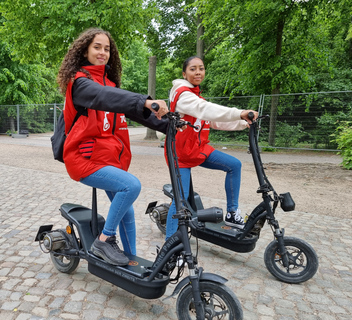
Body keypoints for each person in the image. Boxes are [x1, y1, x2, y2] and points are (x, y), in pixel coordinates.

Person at [57, 28, 169, 266]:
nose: (103, 52)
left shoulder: (110, 82)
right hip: (84, 159)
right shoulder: (79, 82)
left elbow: (129, 108)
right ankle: (104, 240)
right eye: (97, 47)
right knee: (131, 186)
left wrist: (170, 125)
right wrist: (145, 100)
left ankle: (131, 261)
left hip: (108, 159)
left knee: (126, 210)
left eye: (107, 49)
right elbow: (103, 96)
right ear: (85, 50)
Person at [164, 56, 258, 240]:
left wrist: (242, 123)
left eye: (201, 68)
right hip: (180, 155)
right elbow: (205, 109)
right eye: (192, 69)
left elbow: (213, 120)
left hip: (199, 149)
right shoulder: (183, 95)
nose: (198, 72)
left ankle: (232, 213)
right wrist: (239, 112)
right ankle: (170, 244)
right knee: (180, 203)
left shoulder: (197, 97)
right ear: (184, 73)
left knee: (234, 165)